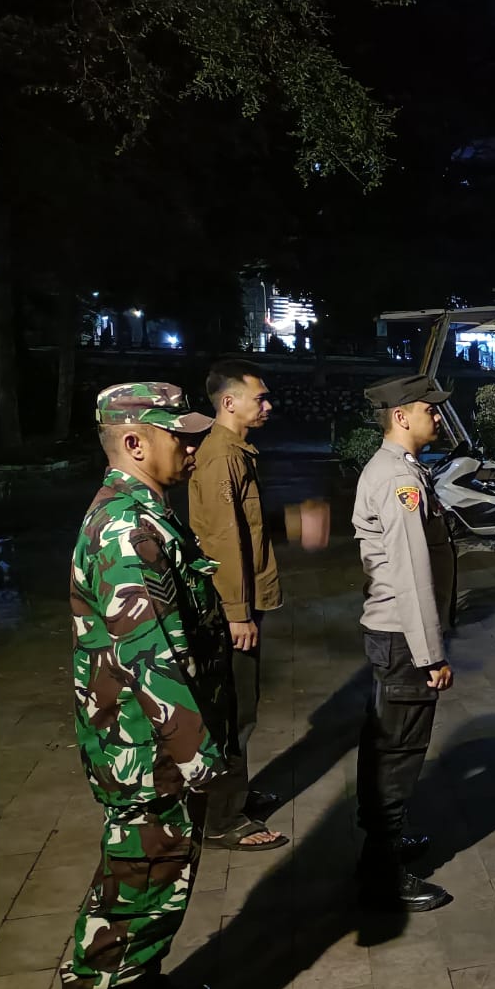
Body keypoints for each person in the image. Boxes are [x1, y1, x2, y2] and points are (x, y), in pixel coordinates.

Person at [56, 383, 226, 989]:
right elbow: (148, 653)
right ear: (133, 442)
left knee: (160, 877)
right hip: (147, 748)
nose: (189, 446)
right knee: (138, 882)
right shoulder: (125, 527)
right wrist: (196, 752)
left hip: (147, 740)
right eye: (176, 435)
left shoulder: (143, 512)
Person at [352, 374, 457, 911]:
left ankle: (384, 843)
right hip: (403, 636)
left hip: (394, 633)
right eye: (428, 409)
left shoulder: (401, 470)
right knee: (397, 753)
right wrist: (431, 655)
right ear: (400, 416)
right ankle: (382, 870)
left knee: (388, 745)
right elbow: (413, 574)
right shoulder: (398, 479)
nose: (436, 416)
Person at [187, 358, 287, 851]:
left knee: (239, 707)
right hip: (232, 610)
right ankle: (222, 819)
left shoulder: (235, 453)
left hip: (239, 603)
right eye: (259, 398)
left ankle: (234, 796)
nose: (267, 405)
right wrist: (237, 612)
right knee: (234, 712)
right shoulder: (221, 457)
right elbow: (224, 541)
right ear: (229, 402)